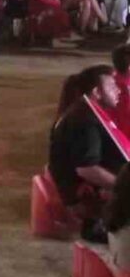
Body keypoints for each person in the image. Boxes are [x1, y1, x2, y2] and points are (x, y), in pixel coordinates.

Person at [48, 64, 126, 242]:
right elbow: (87, 169)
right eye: (112, 86)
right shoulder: (84, 119)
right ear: (97, 92)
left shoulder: (86, 112)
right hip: (89, 203)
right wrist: (124, 186)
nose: (118, 90)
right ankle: (100, 226)